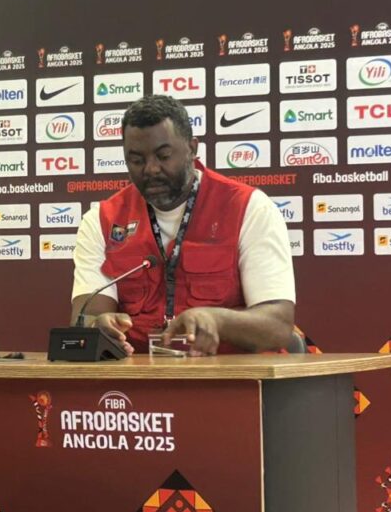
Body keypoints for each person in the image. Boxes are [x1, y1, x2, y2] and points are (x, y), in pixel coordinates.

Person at [71, 95, 295, 356]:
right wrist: (98, 327)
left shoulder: (248, 208)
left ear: (192, 148)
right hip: (138, 375)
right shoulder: (102, 219)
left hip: (231, 375)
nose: (151, 169)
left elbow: (278, 326)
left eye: (163, 156)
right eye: (137, 160)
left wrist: (217, 320)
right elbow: (85, 318)